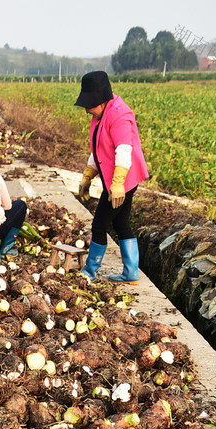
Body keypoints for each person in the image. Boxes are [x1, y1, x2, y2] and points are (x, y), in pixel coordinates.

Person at [75, 71, 148, 283]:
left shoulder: (120, 115)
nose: (87, 109)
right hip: (113, 178)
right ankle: (131, 273)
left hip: (122, 177)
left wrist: (117, 185)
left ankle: (88, 272)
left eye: (90, 104)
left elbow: (124, 150)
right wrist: (88, 175)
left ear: (102, 100)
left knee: (99, 224)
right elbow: (98, 147)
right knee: (121, 223)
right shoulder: (100, 115)